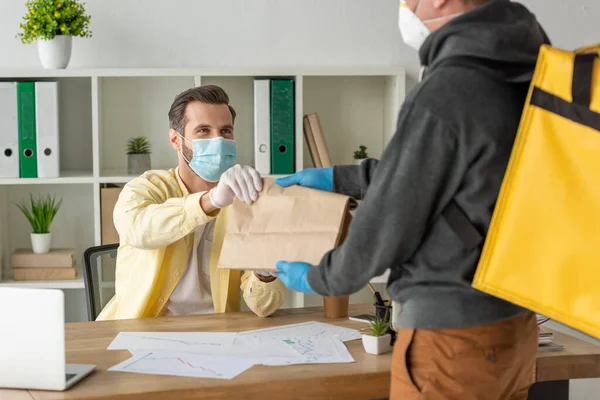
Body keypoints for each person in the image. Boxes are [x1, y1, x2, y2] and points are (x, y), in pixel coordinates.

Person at [275, 0, 549, 398]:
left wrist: (322, 278)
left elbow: (388, 223)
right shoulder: (522, 66)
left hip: (452, 340)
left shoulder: (449, 87)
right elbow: (453, 176)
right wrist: (343, 178)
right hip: (515, 326)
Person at [97, 85, 285, 321]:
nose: (218, 140)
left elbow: (263, 307)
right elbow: (139, 230)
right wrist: (211, 200)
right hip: (143, 331)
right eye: (203, 130)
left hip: (218, 334)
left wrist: (264, 275)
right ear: (176, 140)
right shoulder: (145, 188)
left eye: (225, 131)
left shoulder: (246, 201)